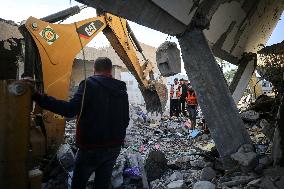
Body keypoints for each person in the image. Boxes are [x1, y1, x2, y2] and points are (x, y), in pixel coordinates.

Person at [32, 57, 129, 189]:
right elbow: (126, 119)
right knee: (102, 184)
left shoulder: (89, 84)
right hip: (114, 147)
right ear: (110, 70)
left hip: (90, 148)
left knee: (78, 184)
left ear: (94, 69)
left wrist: (40, 98)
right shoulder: (121, 89)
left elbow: (70, 110)